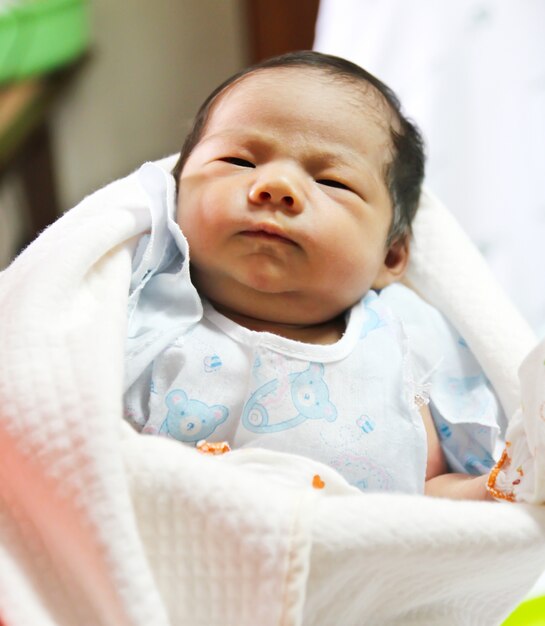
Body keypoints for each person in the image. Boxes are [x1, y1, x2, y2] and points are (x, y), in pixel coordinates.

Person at [124, 51, 501, 500]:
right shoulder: (141, 321)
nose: (277, 186)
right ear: (175, 194)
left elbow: (433, 493)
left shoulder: (405, 338)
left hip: (373, 561)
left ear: (392, 255)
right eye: (240, 161)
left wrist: (499, 489)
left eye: (333, 182)